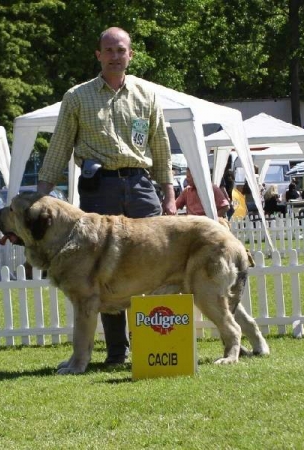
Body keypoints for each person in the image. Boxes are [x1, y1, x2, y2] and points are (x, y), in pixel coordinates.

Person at [36, 27, 176, 366]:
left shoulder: (147, 95)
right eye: (109, 50)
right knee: (105, 274)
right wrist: (41, 195)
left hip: (141, 186)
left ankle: (151, 349)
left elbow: (160, 148)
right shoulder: (77, 97)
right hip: (100, 188)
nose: (116, 55)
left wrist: (169, 196)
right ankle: (117, 352)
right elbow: (59, 148)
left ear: (131, 54)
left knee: (152, 265)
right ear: (98, 55)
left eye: (121, 50)